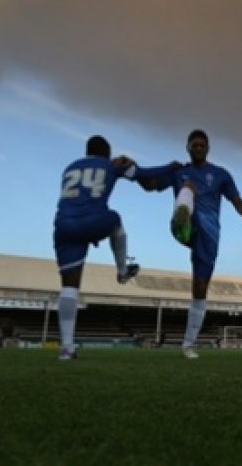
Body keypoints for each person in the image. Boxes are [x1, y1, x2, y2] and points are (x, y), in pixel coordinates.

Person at [137, 129, 242, 359]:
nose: (197, 148)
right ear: (187, 147)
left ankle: (188, 345)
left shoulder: (221, 175)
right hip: (184, 227)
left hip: (208, 236)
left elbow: (237, 201)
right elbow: (151, 185)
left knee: (200, 289)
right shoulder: (179, 172)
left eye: (201, 145)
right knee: (189, 187)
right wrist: (135, 172)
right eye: (193, 145)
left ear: (207, 148)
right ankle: (184, 210)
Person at [52, 135, 173, 361]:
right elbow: (144, 174)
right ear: (107, 152)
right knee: (115, 219)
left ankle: (66, 348)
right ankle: (122, 271)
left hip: (63, 225)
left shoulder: (69, 167)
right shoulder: (110, 165)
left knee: (69, 288)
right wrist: (171, 166)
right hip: (93, 220)